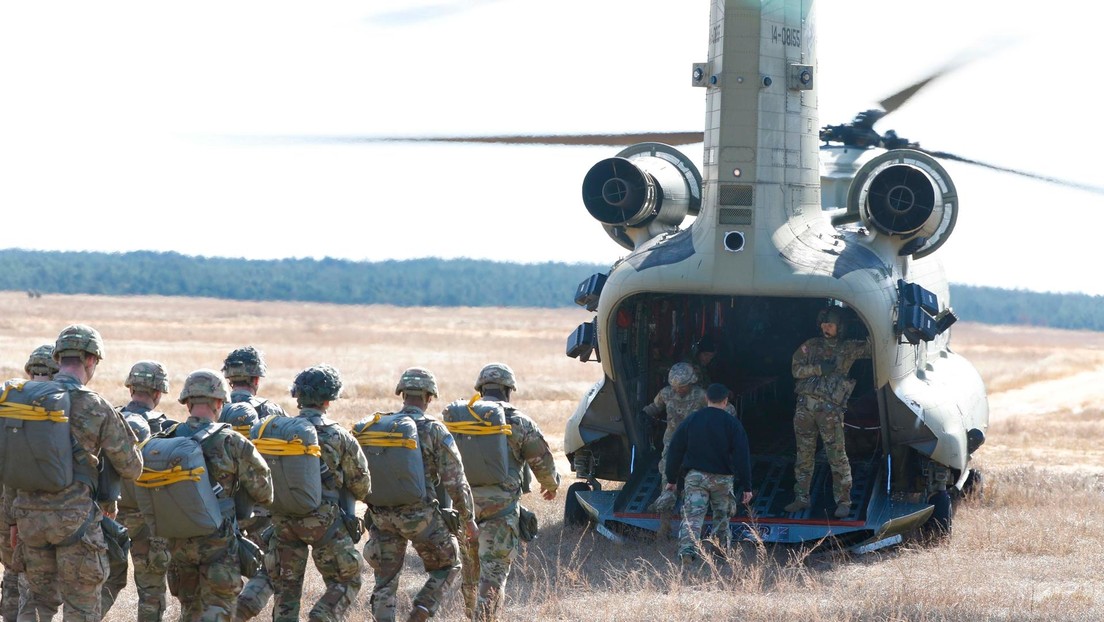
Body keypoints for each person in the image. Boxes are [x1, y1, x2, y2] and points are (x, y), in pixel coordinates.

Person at [8, 325, 144, 620]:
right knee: (80, 607)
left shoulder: (24, 400)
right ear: (92, 360)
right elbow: (132, 468)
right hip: (76, 523)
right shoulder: (96, 405)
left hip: (29, 521)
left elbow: (10, 465)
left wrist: (11, 521)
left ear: (57, 358)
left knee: (35, 603)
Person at [359, 367, 477, 622]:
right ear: (429, 397)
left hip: (381, 516)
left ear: (402, 394)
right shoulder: (434, 429)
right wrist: (468, 520)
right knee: (448, 565)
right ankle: (422, 609)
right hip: (419, 517)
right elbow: (455, 481)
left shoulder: (379, 426)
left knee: (385, 580)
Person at [162, 369, 273, 621]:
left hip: (178, 545)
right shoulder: (233, 441)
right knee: (218, 611)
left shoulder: (167, 438)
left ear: (187, 402)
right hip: (219, 546)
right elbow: (264, 491)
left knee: (189, 611)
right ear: (220, 403)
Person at [455, 363, 560, 622]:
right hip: (500, 512)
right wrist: (551, 485)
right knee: (493, 576)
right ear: (508, 390)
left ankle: (472, 617)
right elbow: (541, 460)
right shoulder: (519, 420)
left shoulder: (460, 418)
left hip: (463, 509)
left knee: (470, 575)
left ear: (480, 388)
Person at [267, 365, 371, 621]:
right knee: (348, 579)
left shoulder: (279, 431)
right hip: (324, 522)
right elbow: (362, 486)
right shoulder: (339, 436)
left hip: (282, 520)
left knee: (286, 590)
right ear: (329, 400)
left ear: (298, 397)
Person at [102, 360, 176, 621]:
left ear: (131, 387)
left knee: (107, 580)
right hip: (151, 518)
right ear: (158, 393)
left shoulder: (110, 418)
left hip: (109, 514)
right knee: (151, 590)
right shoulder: (168, 428)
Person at [784, 307, 872, 519]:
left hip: (830, 411)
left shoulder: (848, 348)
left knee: (837, 456)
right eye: (824, 325)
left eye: (830, 325)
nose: (826, 328)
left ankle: (843, 501)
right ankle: (801, 497)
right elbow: (795, 369)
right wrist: (817, 369)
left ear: (840, 327)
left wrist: (868, 319)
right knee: (803, 456)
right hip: (805, 408)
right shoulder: (810, 346)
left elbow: (872, 348)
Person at [223, 346, 287, 621]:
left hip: (220, 507)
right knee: (277, 565)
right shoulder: (272, 411)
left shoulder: (215, 407)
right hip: (262, 507)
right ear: (257, 380)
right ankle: (246, 607)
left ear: (229, 379)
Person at [664, 383, 753, 564]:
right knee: (722, 517)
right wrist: (747, 486)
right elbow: (742, 456)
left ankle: (687, 553)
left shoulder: (692, 420)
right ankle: (720, 553)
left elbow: (674, 449)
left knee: (692, 517)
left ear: (706, 399)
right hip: (723, 479)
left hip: (695, 477)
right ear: (726, 401)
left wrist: (671, 478)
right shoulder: (733, 424)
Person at [1, 345, 59, 621]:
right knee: (30, 580)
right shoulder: (57, 403)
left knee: (12, 571)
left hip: (6, 506)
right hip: (30, 508)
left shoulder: (8, 398)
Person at [642, 362, 707, 538]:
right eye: (675, 386)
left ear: (691, 382)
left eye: (682, 386)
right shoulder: (665, 394)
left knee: (693, 484)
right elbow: (653, 408)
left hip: (694, 444)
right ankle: (665, 526)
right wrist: (642, 417)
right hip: (671, 444)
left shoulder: (701, 396)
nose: (678, 389)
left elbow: (721, 410)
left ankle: (691, 529)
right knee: (667, 482)